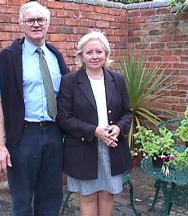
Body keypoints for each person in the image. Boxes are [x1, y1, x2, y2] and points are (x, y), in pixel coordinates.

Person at [0, 2, 69, 215]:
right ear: (21, 24)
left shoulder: (55, 56)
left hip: (53, 134)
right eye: (30, 20)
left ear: (48, 23)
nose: (36, 24)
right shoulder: (7, 58)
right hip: (23, 136)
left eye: (40, 20)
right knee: (22, 198)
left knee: (52, 194)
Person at [57, 31, 133, 216]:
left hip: (112, 147)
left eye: (99, 51)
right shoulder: (70, 81)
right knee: (89, 195)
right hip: (83, 148)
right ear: (81, 55)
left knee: (107, 194)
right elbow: (64, 118)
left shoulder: (118, 80)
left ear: (106, 54)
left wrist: (119, 128)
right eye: (89, 52)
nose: (94, 56)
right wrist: (94, 131)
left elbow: (127, 113)